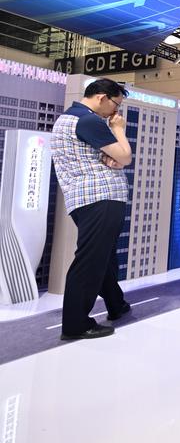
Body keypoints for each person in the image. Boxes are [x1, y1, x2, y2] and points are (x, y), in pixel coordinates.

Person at [50, 78, 133, 341]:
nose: (115, 112)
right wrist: (119, 130)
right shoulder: (88, 120)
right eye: (115, 104)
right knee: (90, 261)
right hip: (101, 197)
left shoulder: (69, 119)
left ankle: (116, 304)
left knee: (103, 257)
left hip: (85, 198)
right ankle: (75, 324)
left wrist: (112, 159)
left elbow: (102, 157)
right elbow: (125, 155)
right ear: (101, 97)